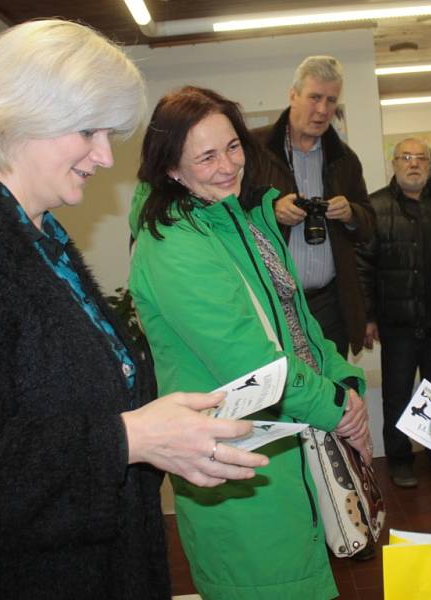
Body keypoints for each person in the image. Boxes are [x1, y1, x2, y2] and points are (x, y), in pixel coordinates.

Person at [0, 20, 268, 600]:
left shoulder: (36, 231)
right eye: (88, 130)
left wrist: (160, 430)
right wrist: (128, 440)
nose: (102, 155)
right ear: (22, 114)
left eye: (109, 132)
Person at [129, 86, 372, 599]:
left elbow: (300, 326)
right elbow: (254, 365)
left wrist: (345, 383)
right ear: (171, 168)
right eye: (207, 156)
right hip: (238, 461)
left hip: (288, 443)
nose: (227, 166)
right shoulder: (174, 243)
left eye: (233, 147)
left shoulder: (240, 221)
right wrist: (337, 405)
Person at [357, 137, 431, 488]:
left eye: (420, 158)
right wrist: (368, 316)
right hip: (398, 324)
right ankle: (399, 458)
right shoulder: (375, 206)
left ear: (429, 164)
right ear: (393, 164)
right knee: (397, 394)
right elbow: (363, 265)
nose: (413, 164)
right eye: (405, 158)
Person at [251, 55, 375, 357]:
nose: (322, 110)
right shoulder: (255, 149)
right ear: (293, 95)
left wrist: (351, 214)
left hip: (331, 304)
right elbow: (231, 213)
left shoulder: (345, 158)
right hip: (273, 301)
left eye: (331, 101)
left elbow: (369, 224)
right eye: (314, 97)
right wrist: (271, 210)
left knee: (334, 393)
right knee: (284, 394)